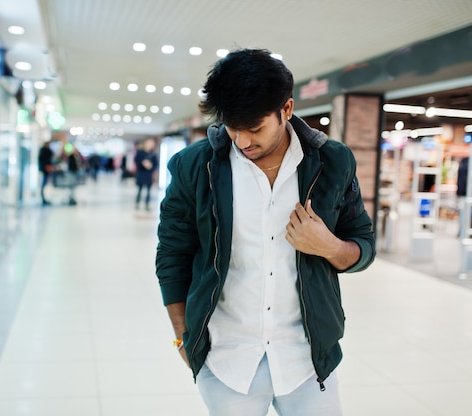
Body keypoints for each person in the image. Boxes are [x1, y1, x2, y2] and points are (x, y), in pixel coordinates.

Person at [155, 48, 376, 416]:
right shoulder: (194, 168)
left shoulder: (333, 162)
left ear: (286, 110)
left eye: (255, 128)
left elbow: (364, 245)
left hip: (308, 363)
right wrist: (182, 336)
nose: (242, 141)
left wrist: (329, 247)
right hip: (228, 364)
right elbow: (172, 255)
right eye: (232, 128)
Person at [134, 137, 158, 210]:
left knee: (148, 190)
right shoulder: (140, 152)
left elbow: (156, 164)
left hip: (149, 175)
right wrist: (142, 163)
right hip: (141, 173)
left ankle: (147, 204)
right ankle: (137, 203)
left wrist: (150, 166)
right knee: (140, 189)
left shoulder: (153, 154)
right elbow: (136, 161)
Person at [38, 140, 54, 205]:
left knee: (45, 184)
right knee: (44, 184)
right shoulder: (44, 151)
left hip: (45, 169)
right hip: (45, 169)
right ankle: (43, 198)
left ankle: (44, 198)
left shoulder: (44, 151)